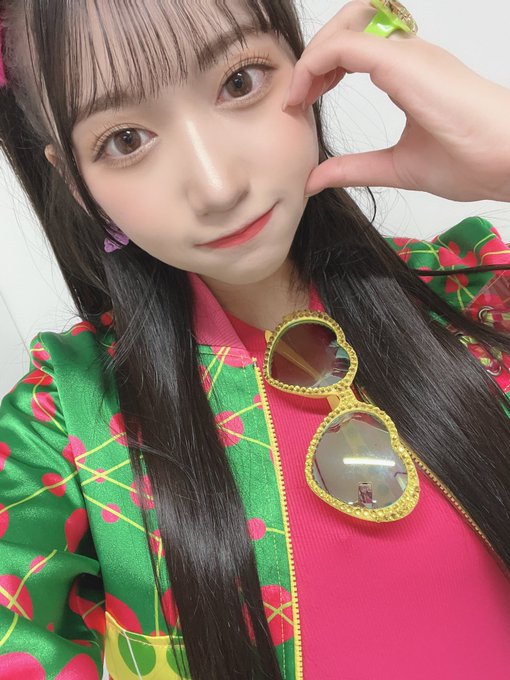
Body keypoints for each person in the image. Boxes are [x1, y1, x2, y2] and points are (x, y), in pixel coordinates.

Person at [0, 1, 509, 678]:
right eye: (125, 140)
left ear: (309, 64)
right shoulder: (61, 428)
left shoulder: (473, 294)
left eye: (239, 82)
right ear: (74, 179)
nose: (217, 187)